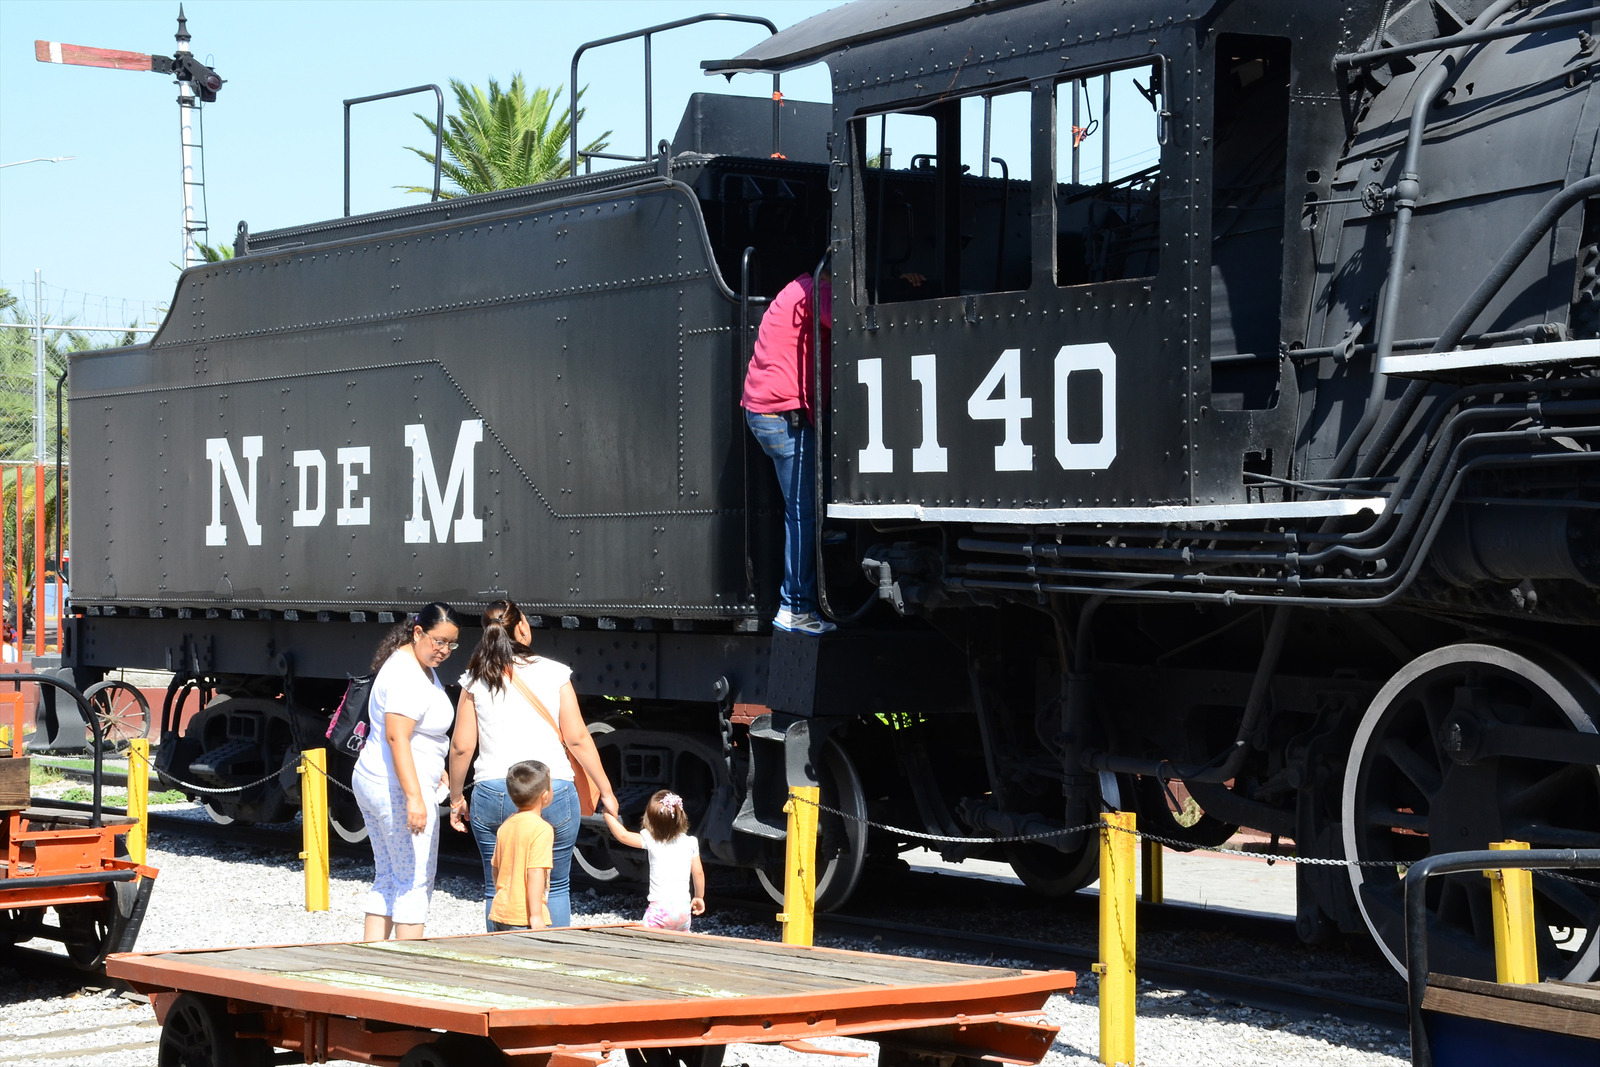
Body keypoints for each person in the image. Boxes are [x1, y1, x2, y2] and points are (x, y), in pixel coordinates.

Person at [447, 598, 619, 928]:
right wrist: (606, 791)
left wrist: (457, 798)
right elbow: (578, 738)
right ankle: (554, 960)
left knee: (494, 887)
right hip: (551, 791)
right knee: (555, 886)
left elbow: (461, 747)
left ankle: (502, 962)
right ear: (523, 629)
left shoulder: (473, 679)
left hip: (493, 792)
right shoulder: (555, 673)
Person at [353, 601, 461, 942]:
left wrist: (437, 768)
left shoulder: (413, 662)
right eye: (438, 641)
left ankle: (372, 960)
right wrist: (415, 798)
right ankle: (405, 967)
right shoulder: (407, 675)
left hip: (383, 780)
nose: (444, 650)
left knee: (387, 875)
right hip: (396, 788)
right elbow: (397, 736)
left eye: (451, 644)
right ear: (417, 632)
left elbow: (415, 734)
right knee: (414, 881)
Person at [741, 267, 837, 636]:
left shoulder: (798, 287)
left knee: (806, 510)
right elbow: (851, 319)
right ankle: (795, 607)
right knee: (803, 514)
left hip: (765, 410)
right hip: (785, 416)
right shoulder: (820, 292)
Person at [601, 790, 706, 932]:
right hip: (683, 910)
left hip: (660, 912)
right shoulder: (691, 842)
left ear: (649, 819)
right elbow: (698, 873)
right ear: (681, 816)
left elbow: (623, 836)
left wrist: (607, 815)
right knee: (679, 945)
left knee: (645, 941)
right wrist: (699, 897)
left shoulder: (651, 839)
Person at [487, 760, 554, 932]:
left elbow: (495, 868)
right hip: (523, 917)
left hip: (501, 911)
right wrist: (536, 914)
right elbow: (535, 871)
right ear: (545, 795)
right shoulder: (541, 829)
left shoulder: (506, 825)